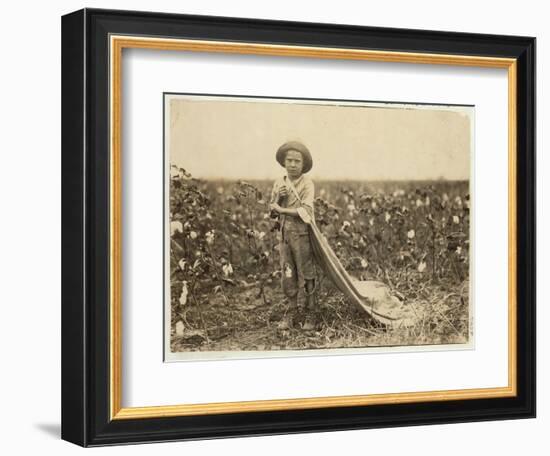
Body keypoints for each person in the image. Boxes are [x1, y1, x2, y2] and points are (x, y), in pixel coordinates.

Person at [269, 141, 317, 327]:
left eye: (297, 161)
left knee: (306, 272)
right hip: (284, 234)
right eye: (289, 160)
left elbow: (305, 210)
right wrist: (278, 199)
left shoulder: (307, 184)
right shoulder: (279, 183)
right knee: (287, 273)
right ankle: (291, 313)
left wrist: (281, 209)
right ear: (283, 162)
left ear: (304, 164)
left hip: (302, 234)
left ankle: (311, 313)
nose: (293, 164)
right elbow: (272, 212)